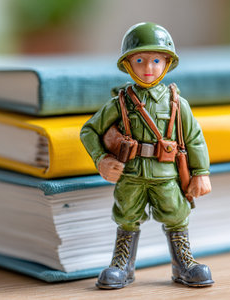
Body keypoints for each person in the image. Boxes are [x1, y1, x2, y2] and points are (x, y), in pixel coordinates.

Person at [80, 22, 213, 289]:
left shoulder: (177, 102)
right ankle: (122, 264)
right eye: (139, 60)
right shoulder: (120, 102)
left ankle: (183, 262)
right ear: (128, 64)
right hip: (130, 174)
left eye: (156, 60)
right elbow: (89, 131)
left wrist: (201, 173)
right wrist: (101, 159)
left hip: (166, 175)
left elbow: (194, 138)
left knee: (176, 214)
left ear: (167, 63)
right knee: (126, 215)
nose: (148, 68)